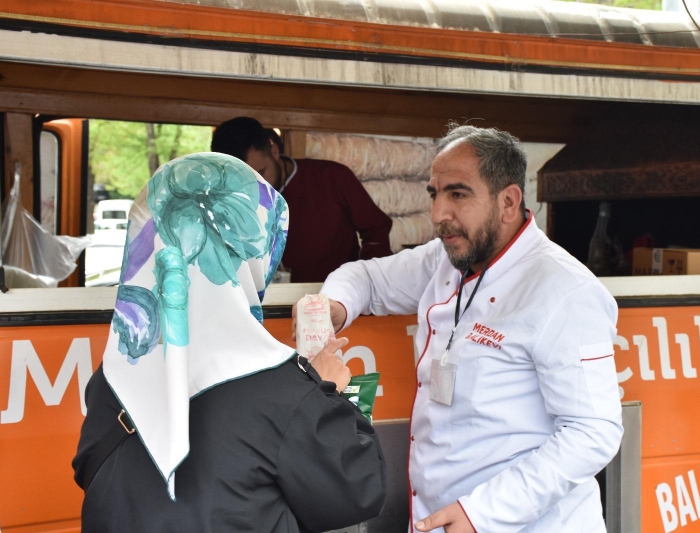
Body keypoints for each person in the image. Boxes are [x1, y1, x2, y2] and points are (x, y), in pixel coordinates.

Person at [302, 125, 623, 532]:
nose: (438, 214)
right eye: (434, 194)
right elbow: (365, 277)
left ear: (508, 202)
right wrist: (334, 305)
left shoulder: (565, 290)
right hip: (438, 517)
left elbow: (593, 432)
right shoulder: (447, 259)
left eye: (458, 194)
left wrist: (483, 512)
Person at [73, 153, 387, 533]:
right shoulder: (285, 392)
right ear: (250, 253)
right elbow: (358, 492)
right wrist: (328, 394)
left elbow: (89, 470)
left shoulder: (113, 376)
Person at [211, 117, 393, 282]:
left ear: (274, 151)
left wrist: (368, 280)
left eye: (260, 173)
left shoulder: (332, 177)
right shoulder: (230, 199)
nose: (254, 187)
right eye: (242, 181)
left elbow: (376, 229)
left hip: (336, 295)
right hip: (270, 298)